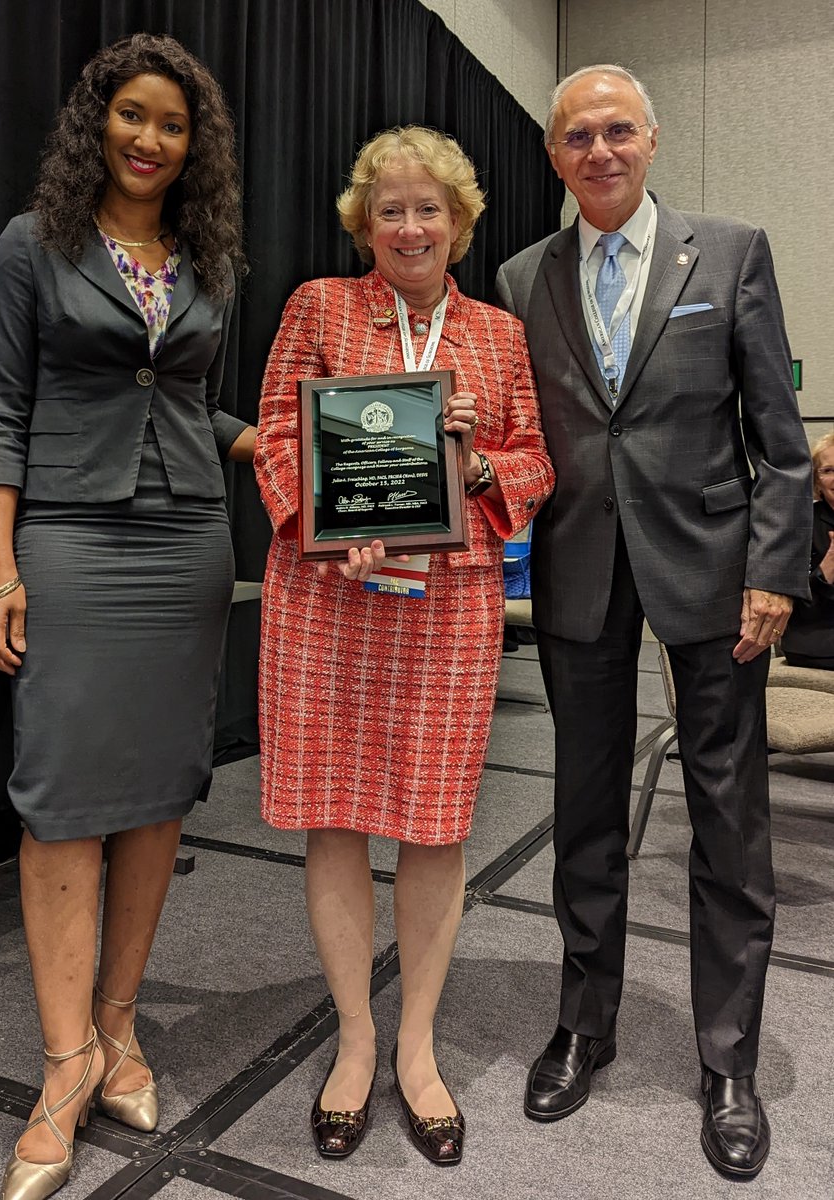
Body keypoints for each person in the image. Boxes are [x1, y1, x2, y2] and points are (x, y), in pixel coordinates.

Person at [496, 64, 813, 1178]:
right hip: (580, 568)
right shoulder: (521, 273)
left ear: (652, 138)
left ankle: (724, 1057)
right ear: (554, 155)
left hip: (717, 569)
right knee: (583, 810)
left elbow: (779, 435)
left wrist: (775, 570)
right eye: (578, 135)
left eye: (618, 129)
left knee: (728, 820)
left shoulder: (729, 251)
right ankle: (585, 1023)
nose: (600, 150)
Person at [0, 33, 254, 1200]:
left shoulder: (207, 256)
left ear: (195, 147)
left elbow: (195, 399)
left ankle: (122, 1027)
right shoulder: (33, 247)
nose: (150, 139)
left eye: (173, 125)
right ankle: (63, 1058)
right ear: (101, 121)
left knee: (154, 792)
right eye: (132, 116)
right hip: (75, 543)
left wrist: (268, 445)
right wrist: (0, 570)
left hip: (189, 540)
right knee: (62, 796)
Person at [255, 125, 553, 1165]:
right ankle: (354, 1037)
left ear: (461, 223)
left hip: (448, 607)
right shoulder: (316, 307)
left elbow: (537, 466)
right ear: (363, 222)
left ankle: (417, 1049)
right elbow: (280, 439)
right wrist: (314, 522)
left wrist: (477, 467)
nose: (411, 225)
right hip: (329, 599)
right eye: (391, 208)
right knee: (335, 816)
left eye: (431, 208)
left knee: (434, 826)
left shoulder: (501, 337)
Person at [781, 432, 834, 669]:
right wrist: (826, 571)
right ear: (816, 482)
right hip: (816, 638)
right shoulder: (802, 524)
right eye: (828, 470)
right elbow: (793, 607)